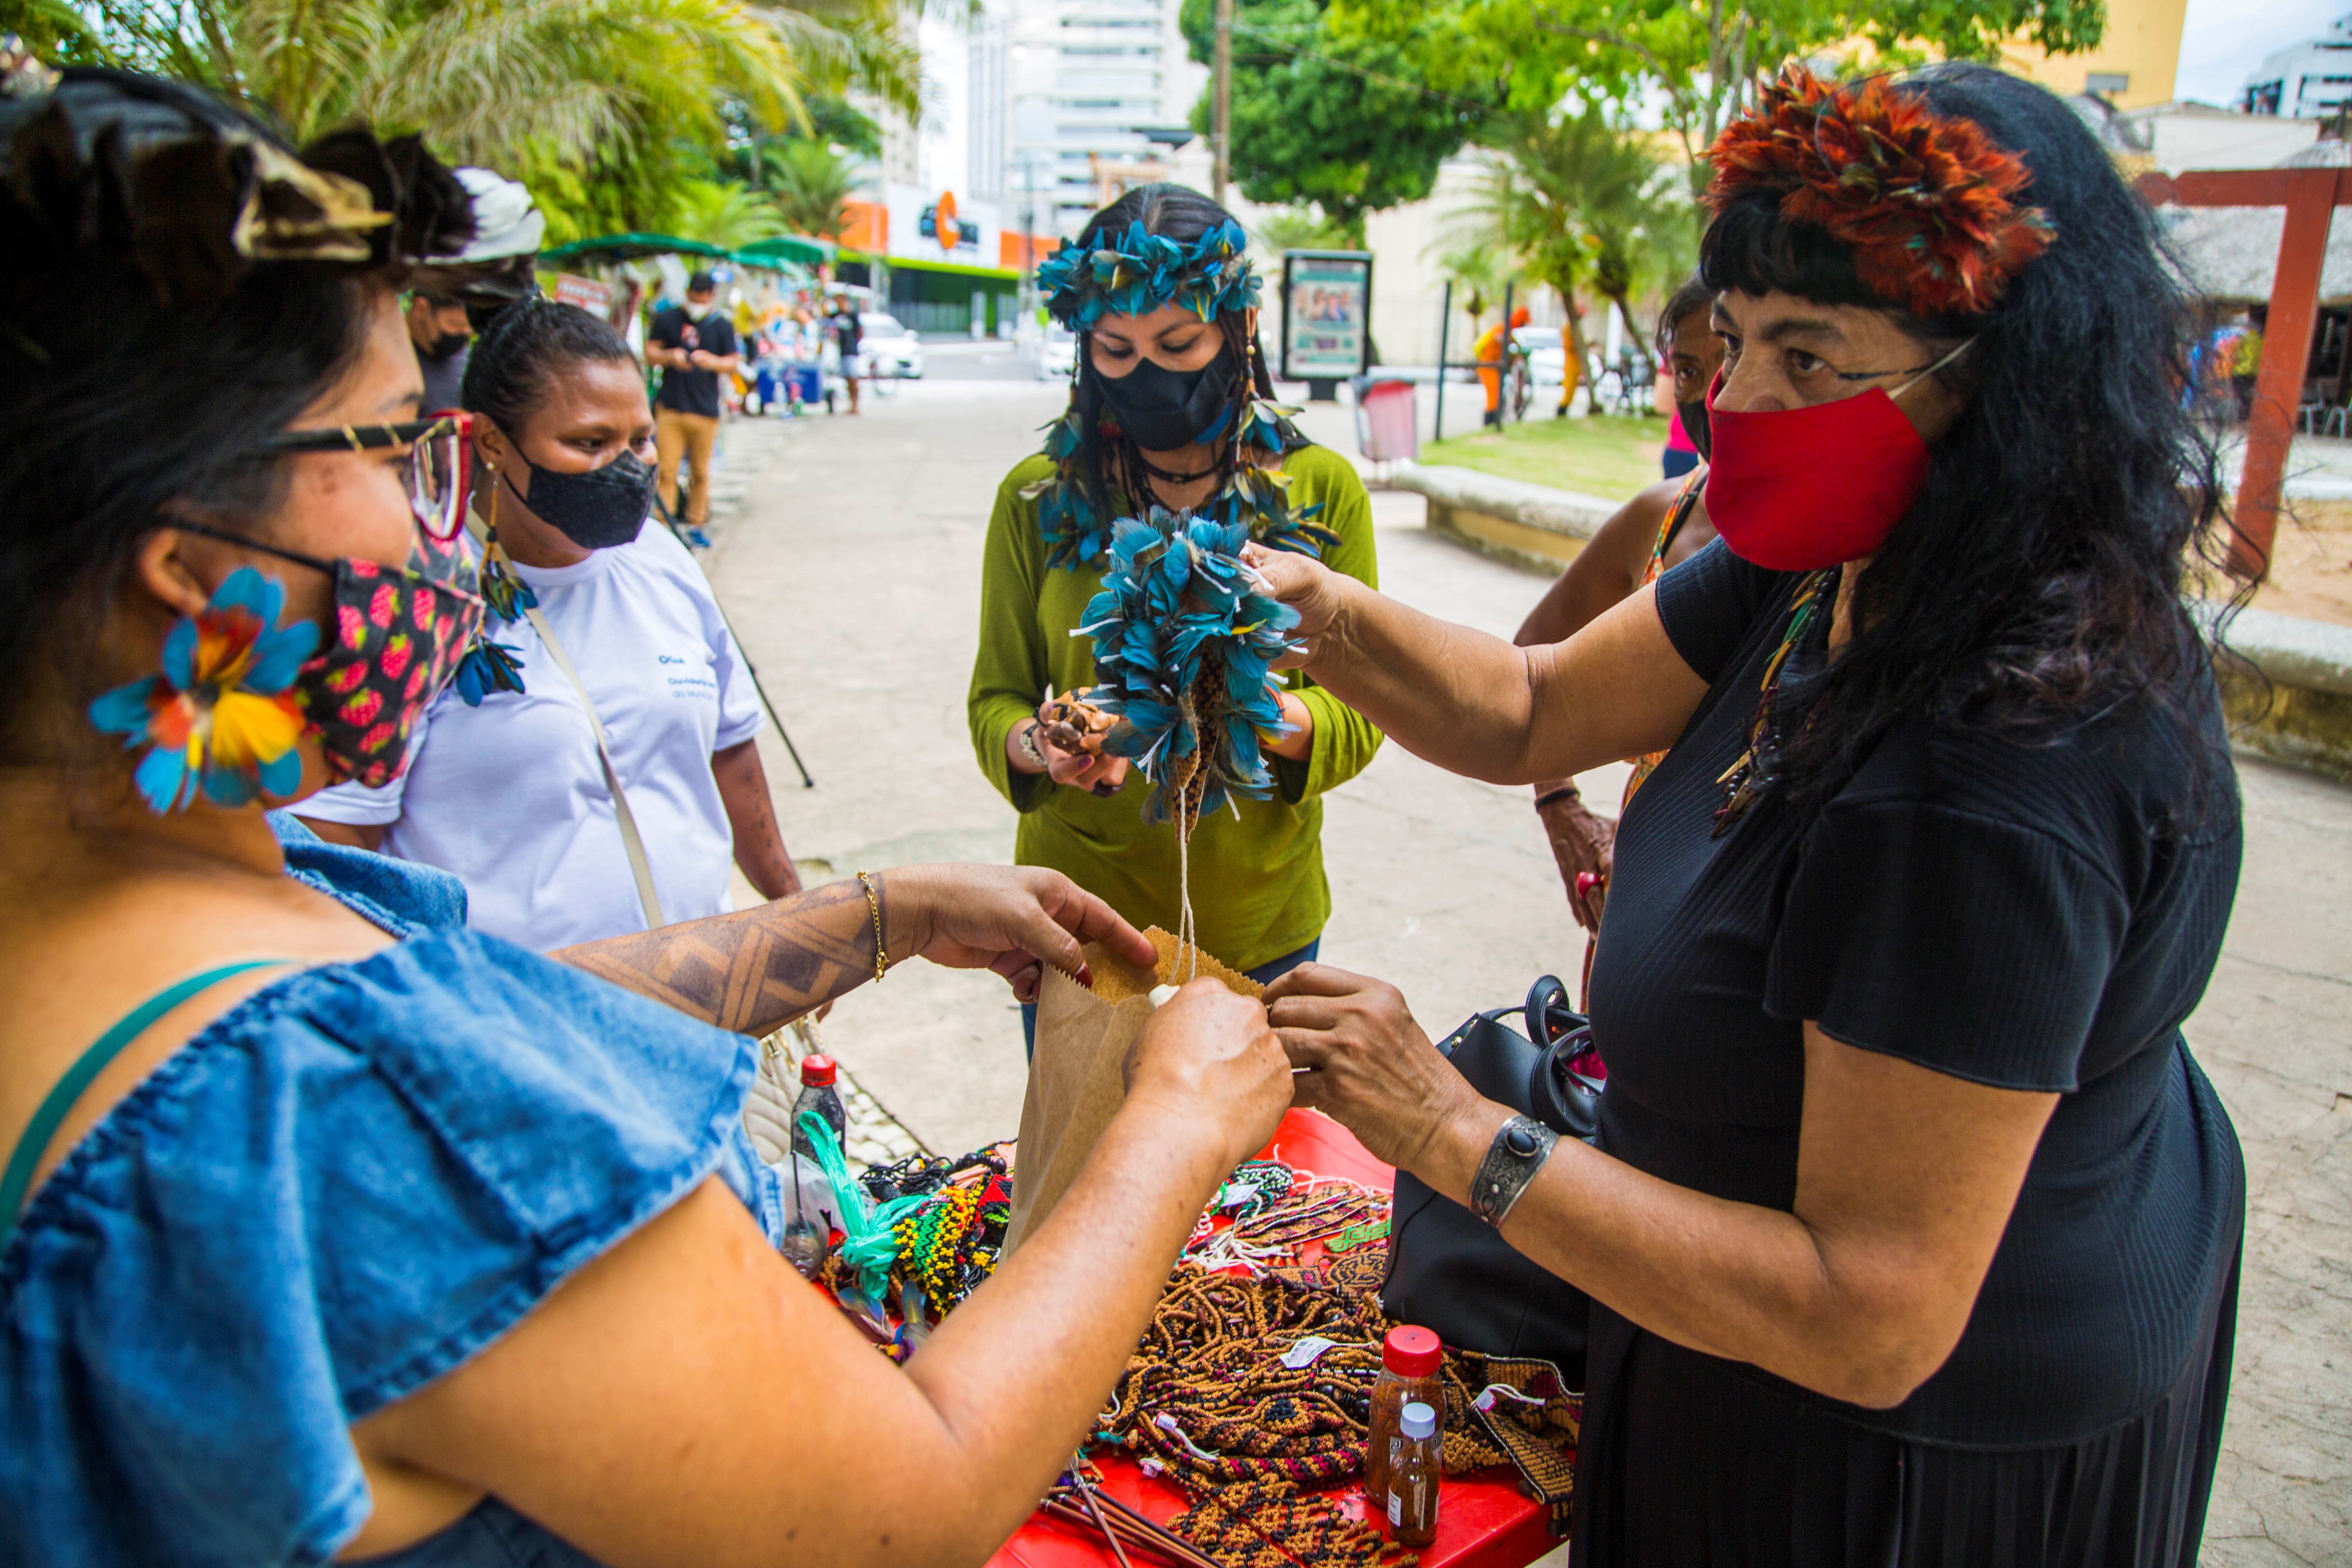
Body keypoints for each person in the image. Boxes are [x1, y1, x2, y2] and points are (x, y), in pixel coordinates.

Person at [0, 69, 1293, 1566]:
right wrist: (1172, 1129)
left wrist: (871, 919)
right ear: (187, 578)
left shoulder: (175, 903)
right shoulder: (365, 1114)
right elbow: (909, 1503)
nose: (453, 516)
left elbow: (495, 1011)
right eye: (400, 447)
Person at [1252, 63, 2244, 1565]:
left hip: (1894, 1457)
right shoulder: (1838, 558)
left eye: (1809, 354)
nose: (1742, 404)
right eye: (1731, 343)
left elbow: (1866, 1314)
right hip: (1725, 1321)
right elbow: (1529, 706)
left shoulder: (1990, 776)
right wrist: (1316, 612)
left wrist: (1450, 1129)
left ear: (2001, 376)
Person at [967, 183, 1382, 1048]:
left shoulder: (1321, 491)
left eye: (1180, 342)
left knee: (1258, 1183)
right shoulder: (1036, 500)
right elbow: (995, 700)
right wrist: (1044, 744)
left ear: (1242, 326)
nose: (1147, 372)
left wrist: (1251, 715)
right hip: (1079, 917)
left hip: (1261, 925)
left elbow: (1367, 712)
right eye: (1116, 348)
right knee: (1083, 1175)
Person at [297, 296, 801, 949]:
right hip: (519, 1024)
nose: (627, 467)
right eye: (589, 443)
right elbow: (341, 847)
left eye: (640, 441)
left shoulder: (663, 561)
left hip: (706, 1010)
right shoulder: (413, 603)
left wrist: (791, 903)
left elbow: (730, 745)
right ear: (492, 443)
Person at [1519, 273, 1724, 939]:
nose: (1718, 395)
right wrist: (1561, 807)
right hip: (1644, 887)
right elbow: (1528, 660)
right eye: (1691, 370)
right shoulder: (1663, 517)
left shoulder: (1847, 556)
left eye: (1735, 358)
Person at [644, 270, 741, 527]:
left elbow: (733, 363)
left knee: (700, 473)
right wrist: (670, 357)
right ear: (687, 293)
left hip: (705, 410)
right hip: (671, 408)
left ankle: (696, 521)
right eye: (693, 296)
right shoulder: (669, 318)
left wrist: (712, 362)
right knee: (666, 470)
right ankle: (664, 523)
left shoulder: (721, 324)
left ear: (711, 296)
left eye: (702, 297)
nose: (696, 302)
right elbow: (651, 351)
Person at [405, 287, 472, 412]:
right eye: (455, 325)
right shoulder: (388, 360)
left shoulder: (466, 361)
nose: (465, 333)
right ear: (421, 309)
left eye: (469, 326)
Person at [1475, 305, 1529, 428]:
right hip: (1488, 366)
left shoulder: (1509, 330)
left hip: (1495, 366)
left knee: (1497, 392)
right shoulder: (1503, 327)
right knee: (1493, 393)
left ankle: (1494, 421)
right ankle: (1489, 422)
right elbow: (1499, 338)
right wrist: (1510, 341)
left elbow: (1513, 342)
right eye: (1523, 323)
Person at [829, 295, 863, 415]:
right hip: (842, 351)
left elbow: (860, 332)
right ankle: (851, 405)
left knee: (853, 378)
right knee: (847, 379)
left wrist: (854, 343)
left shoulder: (852, 315)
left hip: (852, 351)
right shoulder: (836, 315)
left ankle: (855, 405)